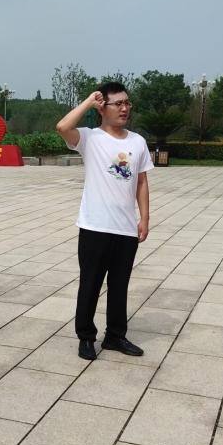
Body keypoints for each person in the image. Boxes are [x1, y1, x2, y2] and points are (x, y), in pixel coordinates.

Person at [55, 81, 152, 361]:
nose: (124, 108)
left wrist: (144, 218)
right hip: (95, 227)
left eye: (127, 103)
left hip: (125, 228)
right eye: (118, 103)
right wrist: (88, 101)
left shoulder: (137, 142)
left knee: (120, 285)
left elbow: (141, 182)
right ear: (102, 108)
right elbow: (62, 127)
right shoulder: (90, 138)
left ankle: (115, 336)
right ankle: (86, 337)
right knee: (90, 284)